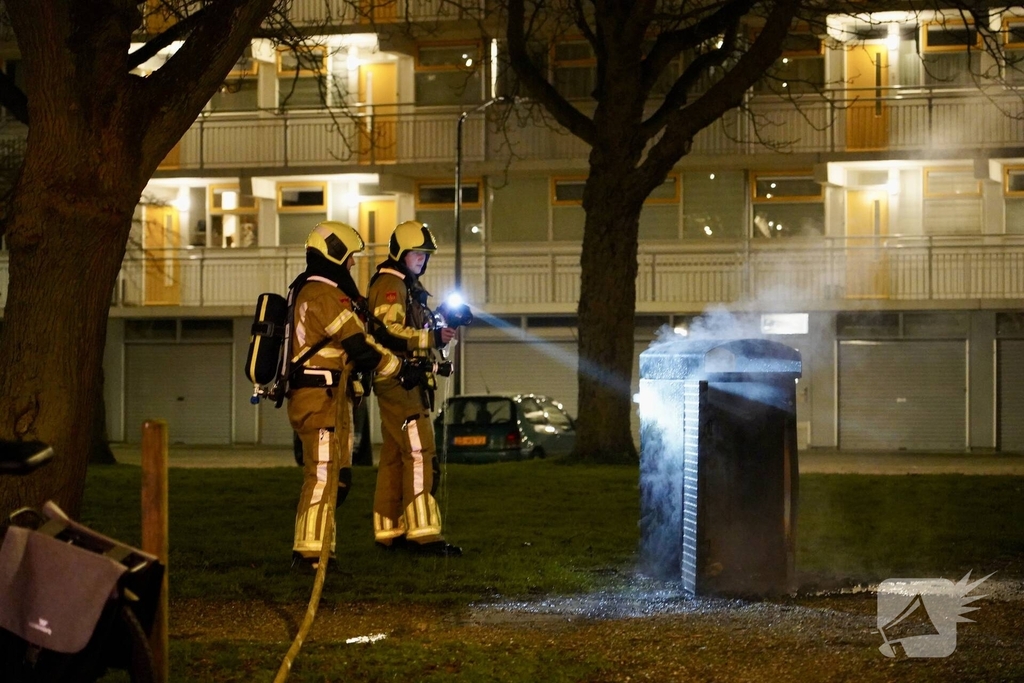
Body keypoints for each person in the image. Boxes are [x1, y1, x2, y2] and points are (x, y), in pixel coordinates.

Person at [286, 220, 426, 567]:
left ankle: (317, 548)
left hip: (329, 398)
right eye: (349, 258)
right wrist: (399, 368)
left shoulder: (317, 291)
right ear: (333, 254)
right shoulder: (322, 294)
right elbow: (359, 346)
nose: (351, 265)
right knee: (323, 474)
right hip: (320, 398)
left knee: (337, 477)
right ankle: (311, 552)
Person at [367, 220, 461, 556]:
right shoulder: (391, 283)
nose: (421, 259)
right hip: (399, 380)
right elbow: (388, 331)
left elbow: (405, 328)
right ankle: (423, 535)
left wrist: (440, 328)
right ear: (400, 253)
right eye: (415, 253)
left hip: (403, 379)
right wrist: (431, 337)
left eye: (425, 254)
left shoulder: (404, 284)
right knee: (421, 453)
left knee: (395, 458)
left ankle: (389, 532)